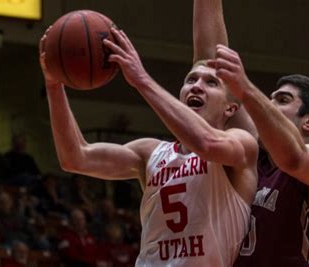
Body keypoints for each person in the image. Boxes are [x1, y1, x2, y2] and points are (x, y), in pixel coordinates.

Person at [39, 20, 258, 266]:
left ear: (231, 108)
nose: (197, 85)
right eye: (190, 79)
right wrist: (54, 83)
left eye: (211, 82)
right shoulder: (150, 152)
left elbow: (205, 142)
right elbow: (75, 157)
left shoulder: (242, 145)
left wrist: (141, 79)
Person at [192, 1, 309, 266]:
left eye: (283, 100)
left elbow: (294, 159)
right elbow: (210, 63)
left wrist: (245, 89)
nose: (268, 104)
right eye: (271, 98)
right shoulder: (254, 156)